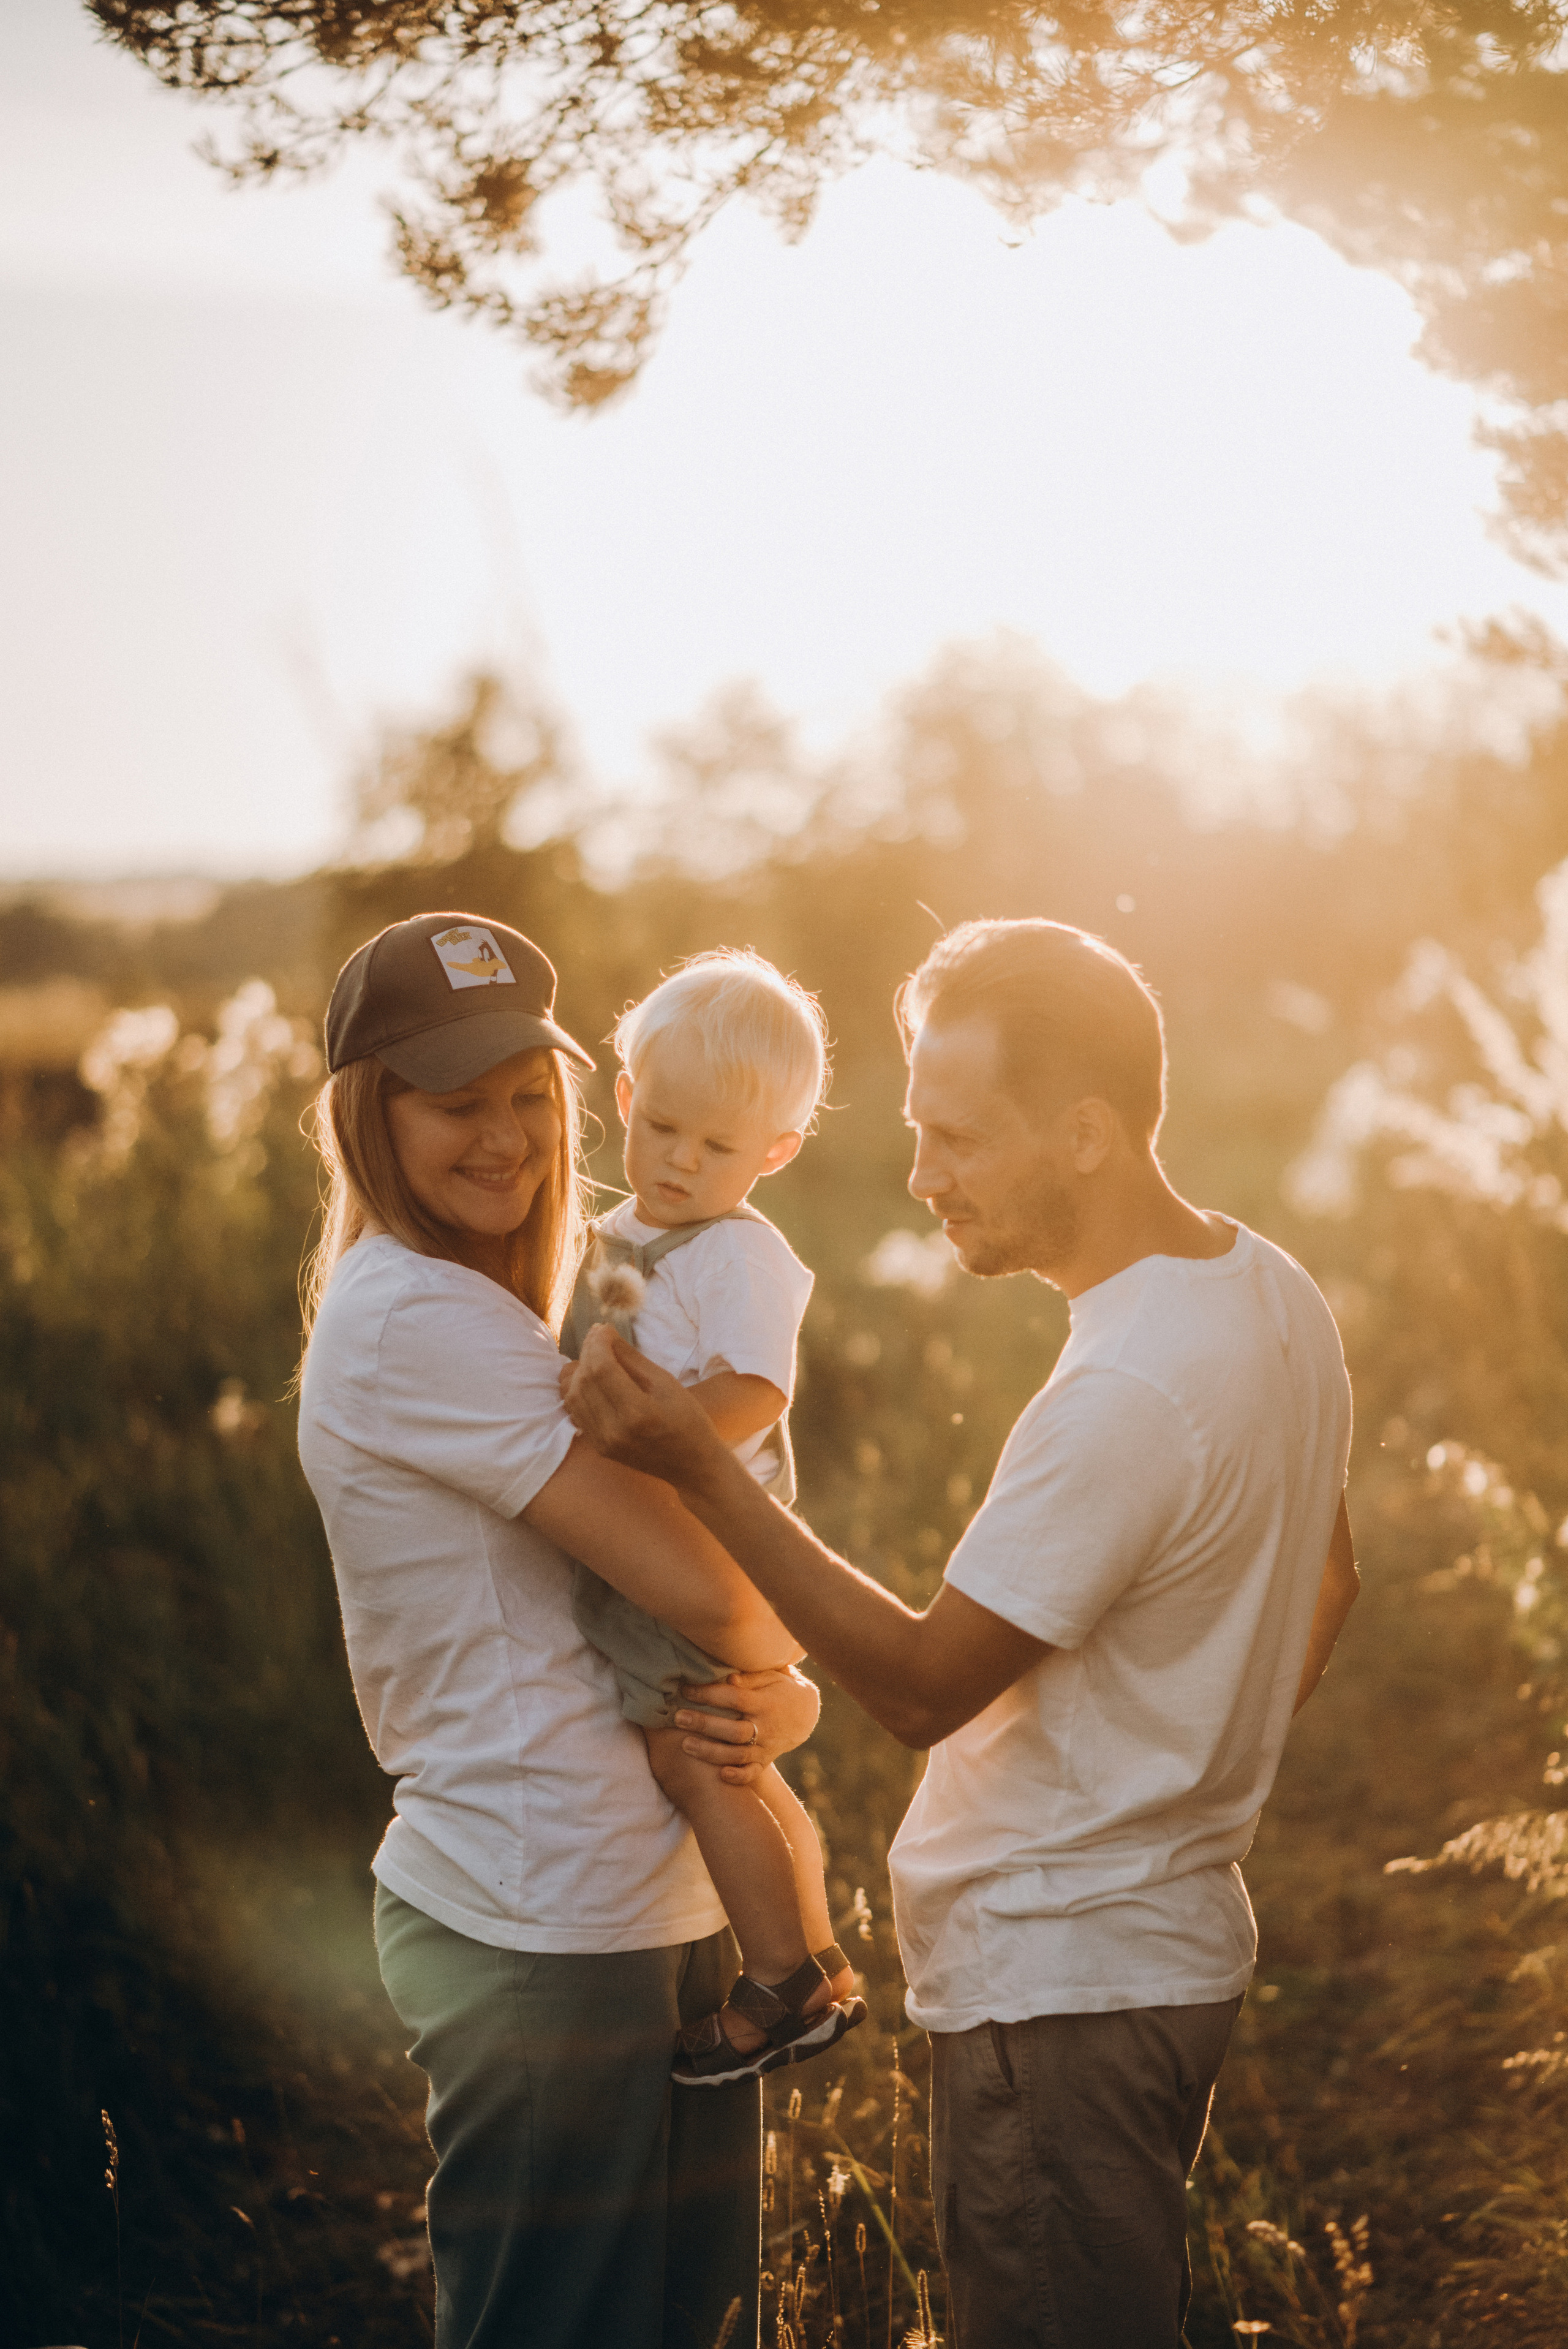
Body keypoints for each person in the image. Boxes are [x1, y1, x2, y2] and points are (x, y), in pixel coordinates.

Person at [560, 916, 1360, 2349]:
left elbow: (924, 1689)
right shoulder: (1269, 1292)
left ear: (1085, 1134)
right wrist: (1183, 1765)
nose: (922, 1177)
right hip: (1156, 1951)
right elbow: (1327, 1582)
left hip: (1056, 1987)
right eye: (918, 1132)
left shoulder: (1124, 1393)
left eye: (960, 1141)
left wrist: (695, 1464)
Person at [295, 909, 823, 2349]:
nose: (506, 1137)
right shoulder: (414, 1319)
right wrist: (791, 1680)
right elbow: (708, 1590)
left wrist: (770, 1686)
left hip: (638, 1895)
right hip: (541, 1914)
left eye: (529, 1095)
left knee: (685, 2323)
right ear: (367, 1116)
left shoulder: (511, 1300)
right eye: (455, 1102)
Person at [560, 950, 863, 2084]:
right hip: (660, 1527)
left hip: (705, 1535)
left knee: (693, 1758)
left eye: (721, 1147)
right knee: (733, 1759)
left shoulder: (738, 1250)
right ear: (627, 1099)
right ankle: (820, 1960)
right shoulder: (620, 1232)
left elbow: (759, 1389)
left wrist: (656, 1422)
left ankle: (780, 1978)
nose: (684, 1162)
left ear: (775, 1154)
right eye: (666, 1127)